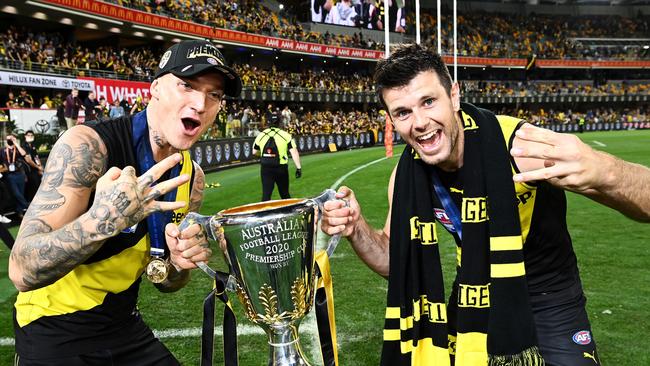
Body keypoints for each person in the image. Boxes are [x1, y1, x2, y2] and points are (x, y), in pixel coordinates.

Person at [321, 44, 650, 366]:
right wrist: (356, 228)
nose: (419, 122)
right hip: (473, 292)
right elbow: (396, 263)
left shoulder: (519, 148)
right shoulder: (407, 176)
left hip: (550, 295)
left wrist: (607, 172)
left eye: (429, 101)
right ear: (391, 119)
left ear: (454, 96)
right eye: (403, 112)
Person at [9, 40, 242, 365]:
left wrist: (177, 262)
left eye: (214, 94)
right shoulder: (87, 146)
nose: (201, 103)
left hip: (123, 324)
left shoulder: (192, 177)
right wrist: (103, 221)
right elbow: (22, 270)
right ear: (156, 88)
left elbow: (167, 282)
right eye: (186, 85)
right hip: (54, 329)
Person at [252, 116, 302, 201]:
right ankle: (288, 212)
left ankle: (265, 213)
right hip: (281, 167)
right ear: (279, 123)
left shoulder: (261, 135)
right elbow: (294, 152)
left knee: (266, 195)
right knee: (284, 194)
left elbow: (254, 152)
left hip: (266, 167)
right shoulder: (285, 135)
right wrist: (298, 168)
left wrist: (263, 155)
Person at [0, 134, 30, 216]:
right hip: (10, 175)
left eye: (12, 138)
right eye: (8, 138)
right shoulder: (2, 150)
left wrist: (16, 143)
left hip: (20, 173)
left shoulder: (18, 149)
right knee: (16, 193)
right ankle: (29, 207)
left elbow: (24, 154)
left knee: (20, 193)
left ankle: (19, 212)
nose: (10, 139)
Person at [21, 130, 43, 201]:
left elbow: (36, 157)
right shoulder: (24, 146)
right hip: (29, 171)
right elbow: (28, 160)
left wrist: (40, 166)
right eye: (28, 135)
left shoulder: (33, 146)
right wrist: (38, 168)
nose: (30, 137)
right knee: (33, 188)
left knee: (39, 186)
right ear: (25, 136)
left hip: (36, 170)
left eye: (31, 135)